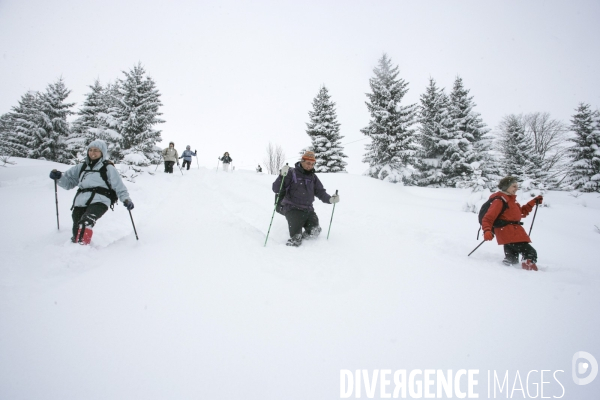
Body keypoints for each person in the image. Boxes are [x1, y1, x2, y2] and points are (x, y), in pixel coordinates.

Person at [49, 140, 134, 245]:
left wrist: (126, 199)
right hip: (80, 201)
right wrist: (59, 178)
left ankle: (82, 247)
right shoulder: (81, 167)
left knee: (86, 221)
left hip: (100, 200)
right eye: (90, 150)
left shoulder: (108, 168)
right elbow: (68, 184)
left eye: (96, 151)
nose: (93, 153)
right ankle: (76, 247)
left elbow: (119, 186)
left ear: (102, 152)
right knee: (77, 227)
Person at [272, 151, 339, 247]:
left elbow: (320, 191)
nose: (310, 166)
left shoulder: (313, 177)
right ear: (302, 161)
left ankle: (307, 243)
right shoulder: (291, 173)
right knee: (296, 238)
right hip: (292, 208)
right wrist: (281, 176)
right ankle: (290, 253)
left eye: (312, 164)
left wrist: (330, 199)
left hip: (308, 209)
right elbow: (276, 189)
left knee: (315, 231)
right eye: (308, 163)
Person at [481, 176, 543, 271]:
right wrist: (487, 231)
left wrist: (533, 202)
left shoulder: (510, 200)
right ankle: (531, 275)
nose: (516, 188)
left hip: (511, 232)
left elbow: (521, 213)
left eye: (517, 186)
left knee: (512, 260)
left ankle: (508, 273)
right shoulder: (499, 200)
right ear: (506, 187)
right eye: (514, 186)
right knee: (530, 253)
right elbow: (488, 218)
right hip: (509, 233)